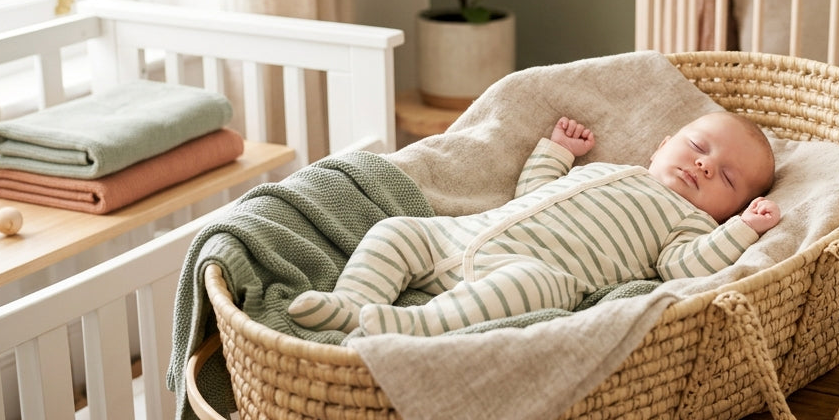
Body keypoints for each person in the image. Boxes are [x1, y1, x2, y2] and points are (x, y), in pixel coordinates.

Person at [288, 111, 781, 336]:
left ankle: (416, 325)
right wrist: (558, 152)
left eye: (727, 177)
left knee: (532, 285)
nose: (704, 166)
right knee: (398, 231)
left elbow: (684, 268)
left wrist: (742, 231)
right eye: (697, 147)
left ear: (727, 210)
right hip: (464, 234)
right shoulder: (609, 169)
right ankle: (352, 302)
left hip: (531, 269)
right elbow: (534, 191)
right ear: (661, 146)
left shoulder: (689, 222)